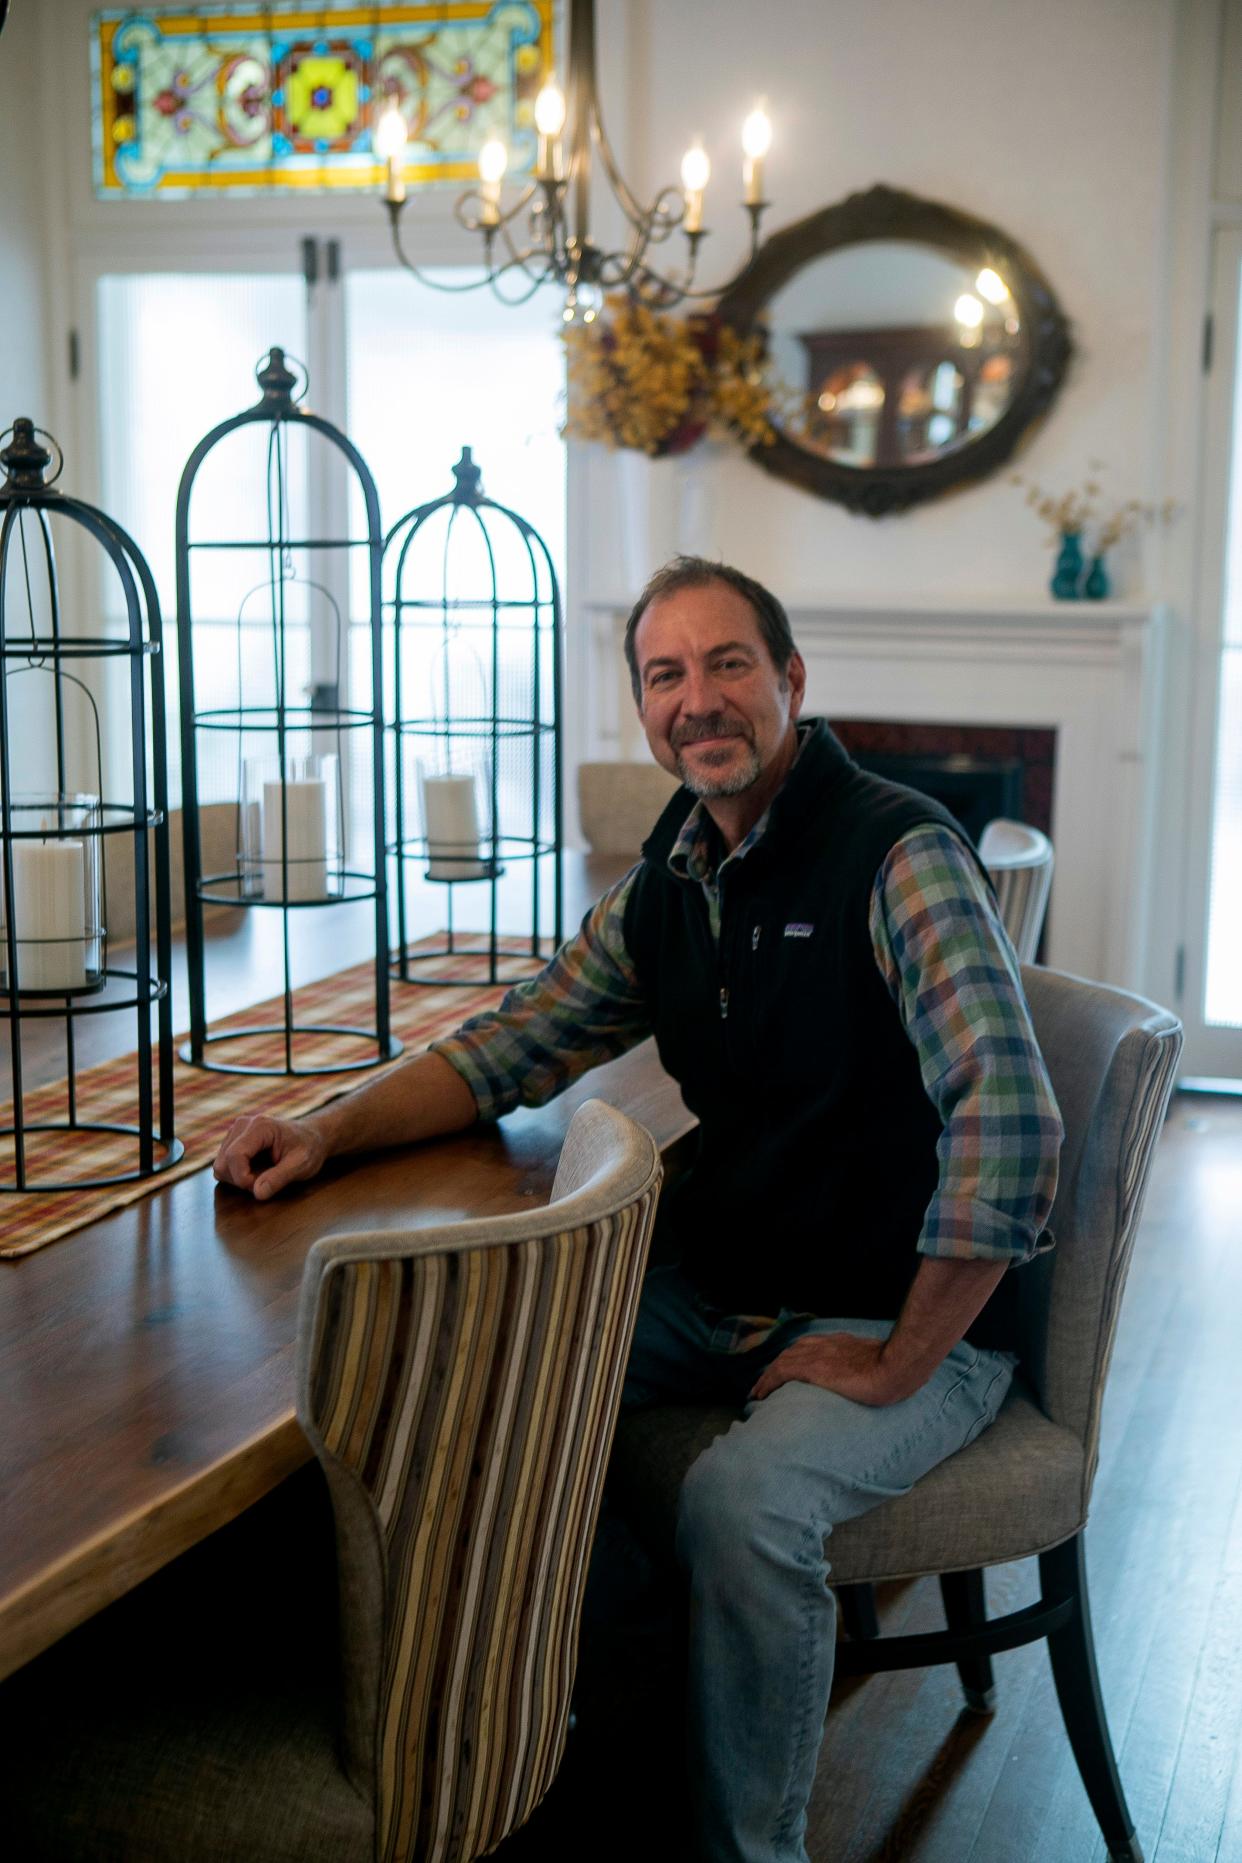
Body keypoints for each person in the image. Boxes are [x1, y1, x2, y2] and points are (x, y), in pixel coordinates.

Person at [214, 556, 1062, 1863]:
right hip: (726, 1288)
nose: (697, 699)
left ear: (789, 680)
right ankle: (526, 1752)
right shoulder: (675, 879)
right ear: (640, 708)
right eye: (664, 674)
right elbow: (512, 1045)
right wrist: (321, 1132)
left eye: (728, 663)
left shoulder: (897, 853)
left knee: (742, 1507)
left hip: (903, 1312)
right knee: (482, 1377)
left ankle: (745, 1850)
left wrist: (902, 1357)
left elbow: (1008, 1122)